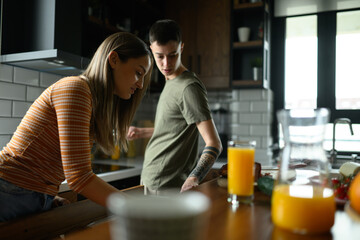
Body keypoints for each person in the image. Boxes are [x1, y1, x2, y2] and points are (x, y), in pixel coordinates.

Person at [0, 32, 153, 222]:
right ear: (113, 59)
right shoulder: (77, 88)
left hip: (23, 193)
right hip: (9, 189)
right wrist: (139, 209)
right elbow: (79, 177)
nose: (140, 85)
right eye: (138, 73)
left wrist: (47, 194)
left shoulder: (90, 99)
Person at [127, 19, 222, 194]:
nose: (166, 64)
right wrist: (142, 132)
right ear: (151, 50)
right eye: (160, 56)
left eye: (173, 55)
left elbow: (214, 143)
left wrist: (194, 177)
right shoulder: (171, 81)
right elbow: (174, 130)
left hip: (167, 186)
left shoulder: (188, 87)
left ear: (182, 48)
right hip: (152, 180)